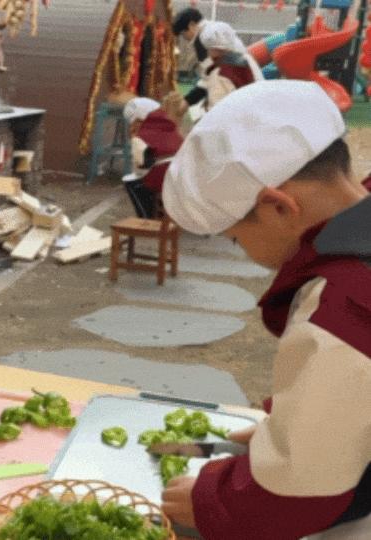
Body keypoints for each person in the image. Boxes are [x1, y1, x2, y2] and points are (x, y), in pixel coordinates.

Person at [160, 79, 371, 539]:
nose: (245, 251)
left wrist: (209, 498)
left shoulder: (342, 307)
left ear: (277, 207)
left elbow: (298, 488)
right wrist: (292, 430)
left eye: (237, 239)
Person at [122, 97, 183, 219]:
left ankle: (146, 217)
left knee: (132, 182)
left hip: (163, 179)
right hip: (181, 176)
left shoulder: (141, 135)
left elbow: (141, 165)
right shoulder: (172, 128)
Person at [183, 21, 264, 111]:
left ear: (213, 49)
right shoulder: (246, 60)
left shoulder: (219, 73)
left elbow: (216, 109)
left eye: (208, 49)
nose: (208, 54)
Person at [172, 7, 209, 75]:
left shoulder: (201, 38)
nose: (184, 37)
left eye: (183, 33)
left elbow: (207, 71)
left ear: (191, 25)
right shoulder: (207, 30)